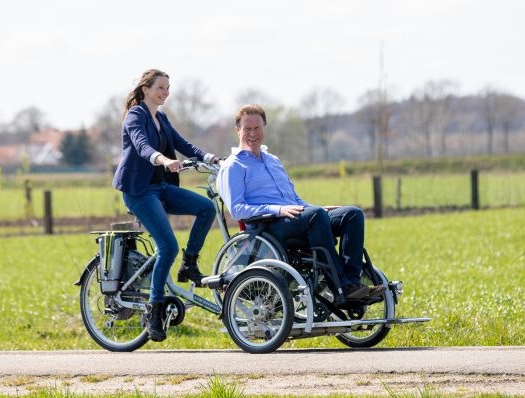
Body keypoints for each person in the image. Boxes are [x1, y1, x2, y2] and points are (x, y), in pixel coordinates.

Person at [216, 104, 385, 302]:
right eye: (247, 129)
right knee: (315, 216)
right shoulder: (233, 166)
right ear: (238, 131)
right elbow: (237, 210)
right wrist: (278, 210)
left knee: (352, 214)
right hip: (267, 228)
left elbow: (293, 199)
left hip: (295, 217)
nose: (253, 133)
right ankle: (342, 287)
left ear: (265, 128)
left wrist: (315, 207)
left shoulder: (273, 160)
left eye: (257, 128)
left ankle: (353, 283)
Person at [112, 69, 220, 342]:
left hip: (161, 188)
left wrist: (208, 157)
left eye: (168, 88)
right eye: (160, 87)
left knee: (207, 208)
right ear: (146, 89)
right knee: (167, 246)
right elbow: (142, 146)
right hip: (139, 191)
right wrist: (163, 160)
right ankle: (154, 309)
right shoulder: (135, 116)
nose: (165, 92)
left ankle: (189, 264)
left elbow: (182, 143)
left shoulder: (160, 117)